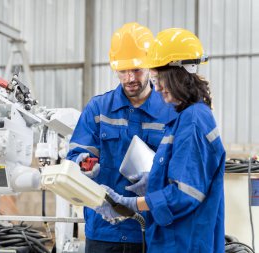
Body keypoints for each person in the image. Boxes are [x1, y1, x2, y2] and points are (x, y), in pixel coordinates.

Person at [95, 28, 225, 253]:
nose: (156, 87)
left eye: (157, 78)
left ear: (177, 75)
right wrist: (154, 182)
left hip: (184, 244)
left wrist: (129, 204)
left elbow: (185, 193)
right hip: (172, 242)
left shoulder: (193, 121)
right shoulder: (184, 118)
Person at [66, 23, 177, 253]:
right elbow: (75, 155)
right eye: (122, 71)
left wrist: (157, 178)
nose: (129, 78)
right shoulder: (98, 109)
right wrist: (83, 163)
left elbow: (182, 169)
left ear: (150, 66)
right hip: (104, 229)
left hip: (152, 229)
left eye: (136, 70)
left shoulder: (170, 111)